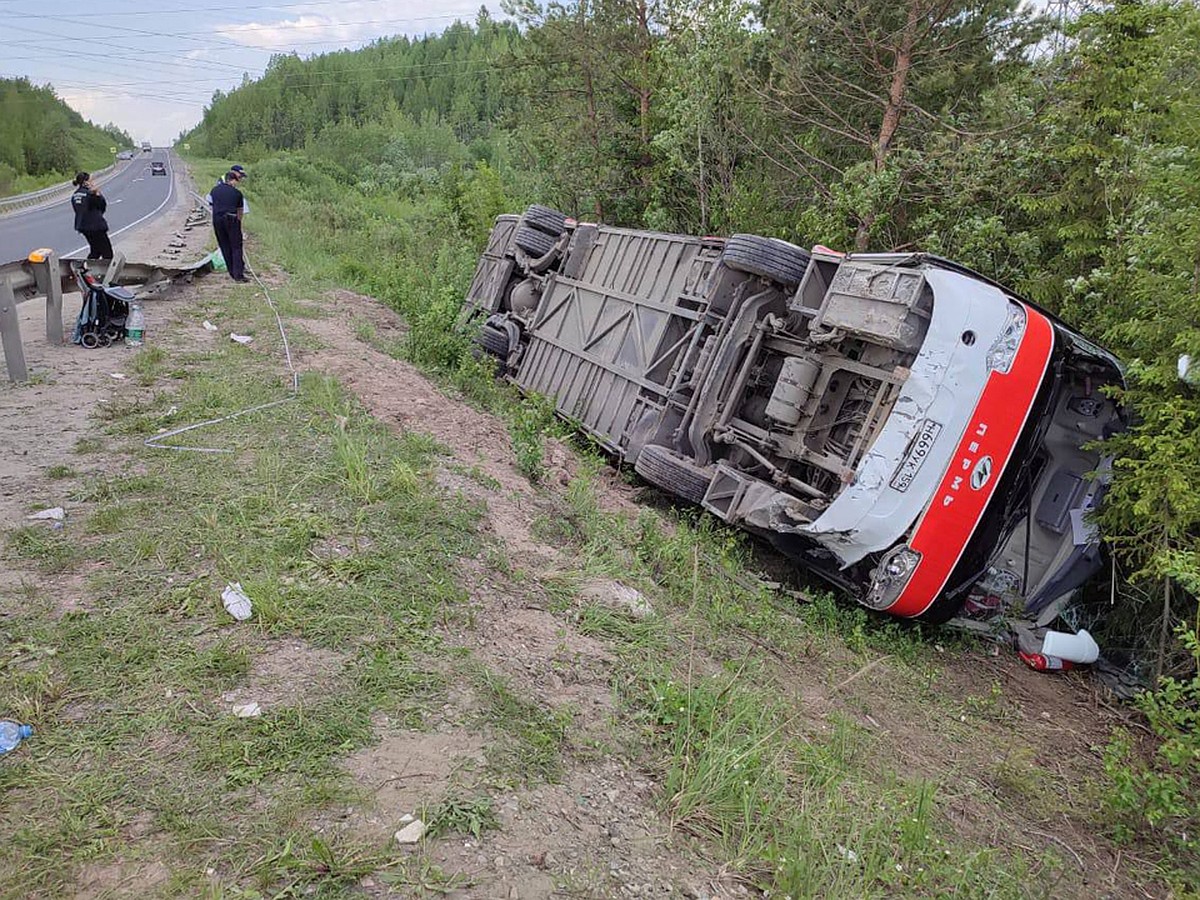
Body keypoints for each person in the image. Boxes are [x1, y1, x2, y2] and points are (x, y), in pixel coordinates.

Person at [210, 170, 248, 282]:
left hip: (217, 220)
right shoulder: (237, 193)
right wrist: (238, 222)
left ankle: (231, 272)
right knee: (236, 247)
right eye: (236, 181)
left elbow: (211, 204)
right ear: (232, 180)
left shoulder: (214, 191)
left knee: (224, 246)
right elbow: (240, 211)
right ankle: (238, 275)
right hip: (231, 219)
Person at [71, 172, 113, 260]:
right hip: (96, 226)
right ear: (86, 182)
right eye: (91, 180)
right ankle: (107, 272)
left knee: (95, 251)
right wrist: (97, 193)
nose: (93, 182)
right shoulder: (90, 194)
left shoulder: (75, 195)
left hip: (83, 226)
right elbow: (101, 207)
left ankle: (86, 270)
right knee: (107, 253)